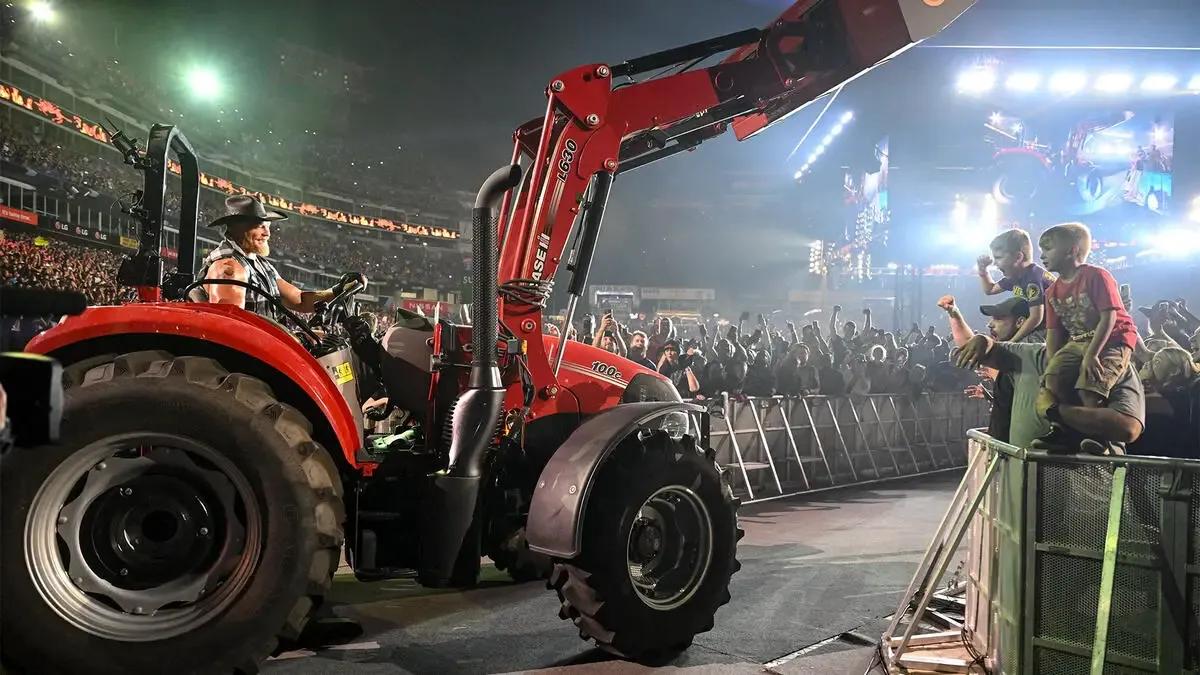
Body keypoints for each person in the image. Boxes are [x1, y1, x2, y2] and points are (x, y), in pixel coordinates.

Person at [1036, 222, 1139, 448]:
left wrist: (1092, 354)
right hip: (1079, 340)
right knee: (1053, 379)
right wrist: (1053, 364)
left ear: (1072, 250)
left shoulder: (1096, 276)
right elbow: (1053, 333)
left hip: (1113, 338)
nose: (1042, 255)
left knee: (1090, 384)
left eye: (1048, 249)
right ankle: (1061, 430)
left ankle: (1099, 438)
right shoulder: (1051, 291)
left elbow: (1109, 317)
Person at [955, 331, 1145, 453]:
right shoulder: (1032, 354)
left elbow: (1129, 428)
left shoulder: (1117, 364)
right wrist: (982, 341)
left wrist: (1056, 410)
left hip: (1090, 494)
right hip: (1024, 490)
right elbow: (989, 351)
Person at [199, 196, 365, 319]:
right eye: (260, 226)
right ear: (238, 228)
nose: (267, 233)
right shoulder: (229, 268)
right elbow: (231, 328)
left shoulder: (259, 263)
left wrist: (338, 290)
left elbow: (299, 300)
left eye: (268, 226)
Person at [976, 228, 1055, 343]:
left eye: (998, 258)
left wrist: (1012, 342)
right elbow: (990, 289)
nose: (995, 263)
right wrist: (983, 271)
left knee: (1020, 348)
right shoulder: (1016, 276)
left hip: (1055, 329)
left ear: (1018, 257)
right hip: (1044, 326)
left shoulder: (1032, 278)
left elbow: (1036, 318)